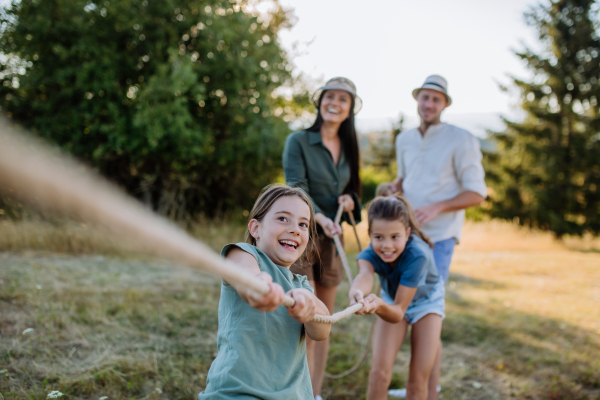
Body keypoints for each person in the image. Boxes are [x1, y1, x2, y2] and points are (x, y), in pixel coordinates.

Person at [387, 75, 487, 398]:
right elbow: (406, 177)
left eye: (436, 99)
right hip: (403, 237)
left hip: (439, 239)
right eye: (424, 97)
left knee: (427, 312)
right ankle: (430, 386)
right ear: (417, 99)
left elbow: (477, 193)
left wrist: (439, 206)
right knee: (416, 310)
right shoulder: (404, 139)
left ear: (445, 104)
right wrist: (395, 188)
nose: (428, 104)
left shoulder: (462, 139)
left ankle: (425, 386)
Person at [199, 184, 331, 400]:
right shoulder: (243, 253)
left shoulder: (301, 285)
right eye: (282, 219)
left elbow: (321, 331)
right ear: (255, 229)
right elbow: (246, 277)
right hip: (237, 393)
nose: (295, 229)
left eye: (303, 224)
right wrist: (260, 285)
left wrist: (309, 303)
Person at [282, 77, 362, 399]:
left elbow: (355, 188)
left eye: (343, 99)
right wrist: (318, 216)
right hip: (303, 236)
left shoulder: (350, 145)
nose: (335, 103)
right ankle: (291, 389)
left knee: (322, 321)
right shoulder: (298, 140)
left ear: (349, 108)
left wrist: (349, 200)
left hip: (333, 238)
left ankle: (315, 393)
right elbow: (295, 186)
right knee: (301, 316)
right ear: (320, 102)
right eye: (330, 96)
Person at [349, 195, 445, 400]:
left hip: (426, 304)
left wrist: (379, 305)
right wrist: (357, 292)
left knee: (417, 381)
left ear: (407, 233)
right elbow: (364, 275)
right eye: (378, 237)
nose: (387, 246)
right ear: (370, 235)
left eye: (395, 237)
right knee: (378, 375)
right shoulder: (370, 253)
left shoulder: (417, 255)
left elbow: (398, 311)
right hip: (391, 300)